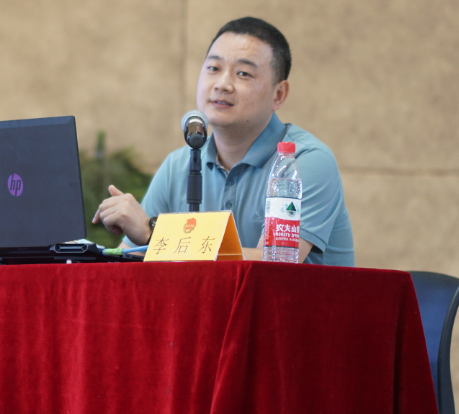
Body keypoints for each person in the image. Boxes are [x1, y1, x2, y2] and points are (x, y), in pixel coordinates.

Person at [93, 17, 354, 266]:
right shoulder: (178, 165)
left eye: (243, 73)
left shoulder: (302, 162)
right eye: (213, 68)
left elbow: (275, 262)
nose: (222, 84)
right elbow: (130, 259)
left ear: (278, 94)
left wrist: (153, 235)